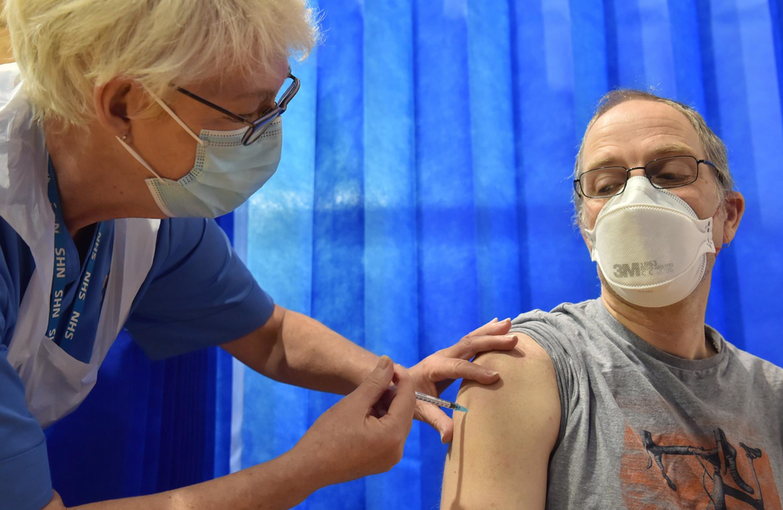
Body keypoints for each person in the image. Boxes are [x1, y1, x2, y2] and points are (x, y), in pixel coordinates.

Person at [0, 1, 520, 509]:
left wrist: (399, 380)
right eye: (246, 113)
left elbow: (270, 336)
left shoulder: (145, 210)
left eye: (277, 103)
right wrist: (306, 469)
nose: (268, 135)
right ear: (122, 104)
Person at [440, 90, 783, 509]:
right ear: (585, 230)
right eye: (608, 185)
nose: (637, 198)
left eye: (669, 175)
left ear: (728, 216)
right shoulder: (520, 369)